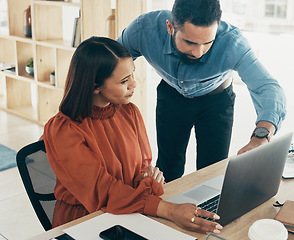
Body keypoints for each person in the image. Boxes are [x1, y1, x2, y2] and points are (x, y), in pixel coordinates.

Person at [43, 37, 223, 234]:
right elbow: (103, 193)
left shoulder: (129, 112)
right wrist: (168, 209)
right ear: (95, 86)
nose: (134, 84)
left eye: (132, 75)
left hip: (131, 209)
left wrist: (149, 175)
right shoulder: (64, 130)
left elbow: (142, 168)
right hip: (87, 222)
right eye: (123, 81)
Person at [117, 0, 287, 182]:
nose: (198, 52)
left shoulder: (232, 42)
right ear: (170, 27)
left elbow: (267, 86)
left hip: (216, 101)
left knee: (212, 172)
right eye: (189, 42)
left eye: (207, 43)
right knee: (168, 168)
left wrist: (261, 136)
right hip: (172, 96)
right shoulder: (144, 29)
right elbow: (110, 61)